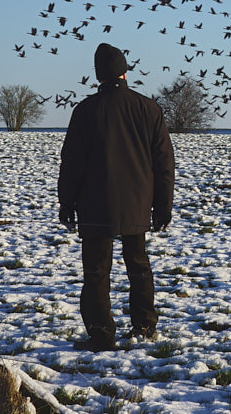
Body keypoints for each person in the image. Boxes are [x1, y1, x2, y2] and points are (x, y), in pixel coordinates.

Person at [58, 42, 175, 351]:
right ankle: (145, 326)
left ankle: (101, 333)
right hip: (138, 202)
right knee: (138, 265)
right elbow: (163, 162)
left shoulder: (85, 110)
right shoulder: (148, 108)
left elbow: (71, 162)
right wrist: (163, 206)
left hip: (95, 203)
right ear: (125, 71)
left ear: (98, 75)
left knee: (96, 271)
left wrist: (66, 202)